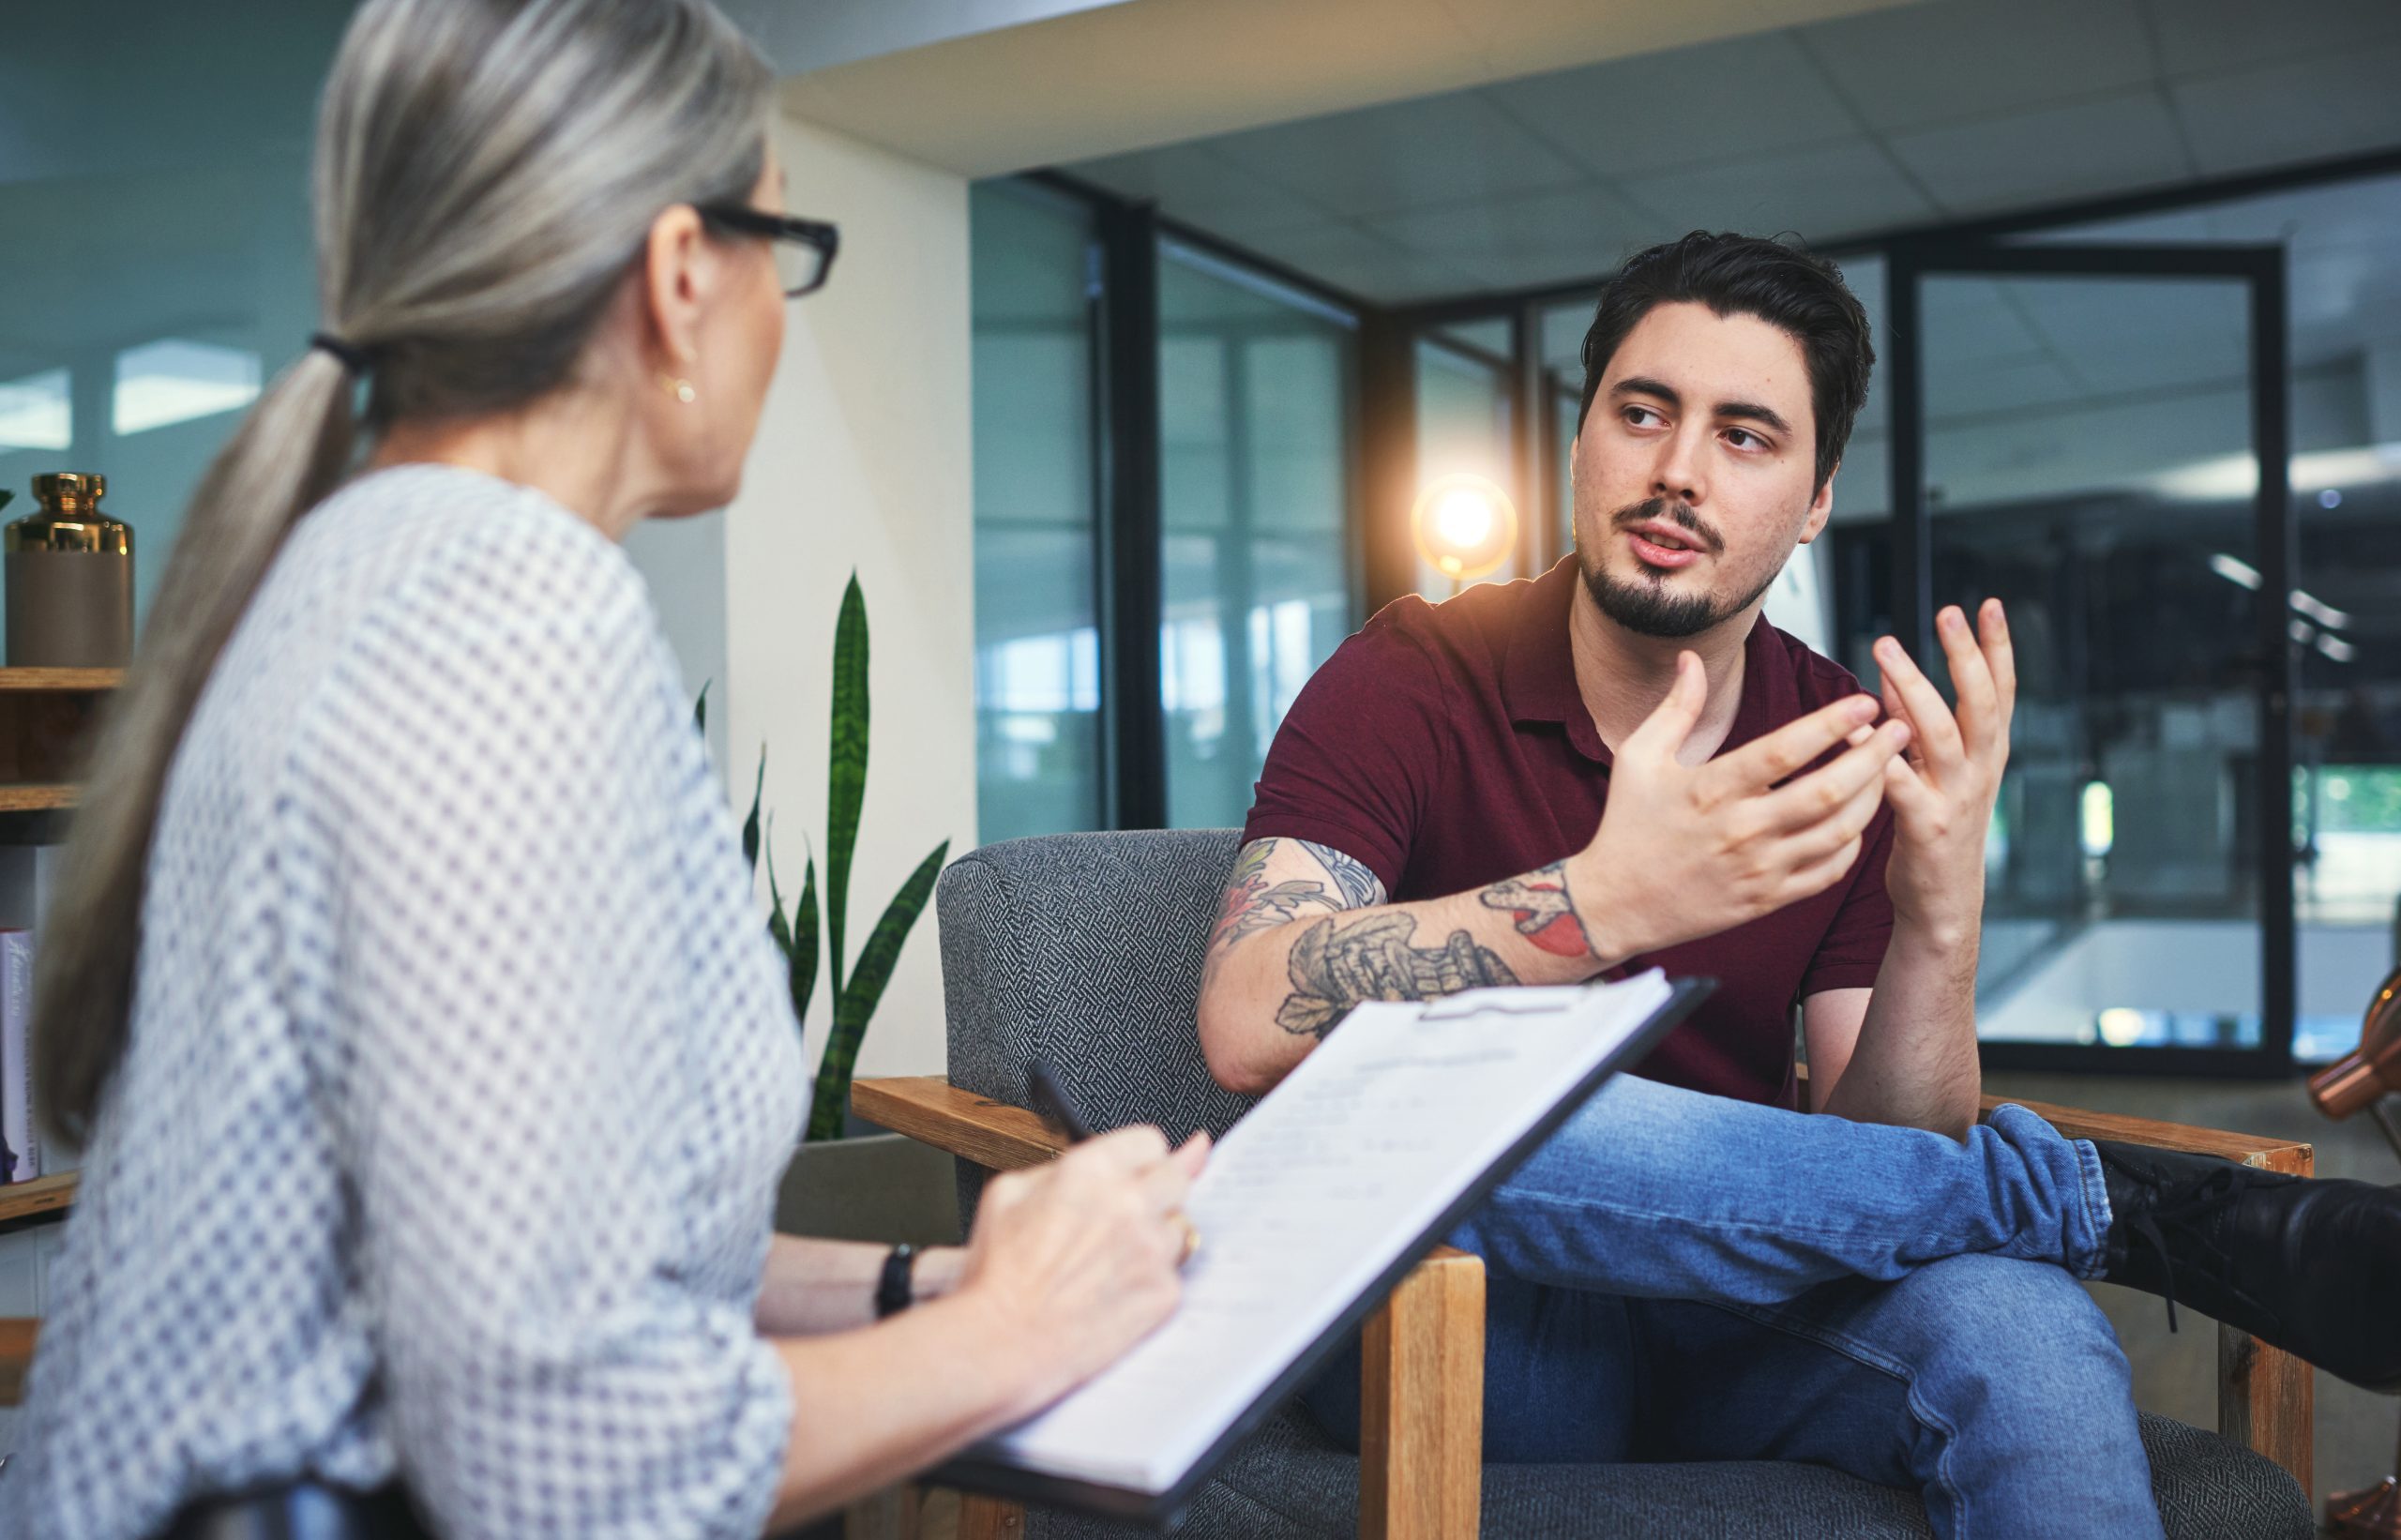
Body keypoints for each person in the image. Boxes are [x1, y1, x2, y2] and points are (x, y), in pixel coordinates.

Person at [3, 4, 1208, 1538]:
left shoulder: (370, 565)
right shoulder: (504, 622)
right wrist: (1024, 1329)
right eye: (787, 241)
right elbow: (563, 1454)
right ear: (682, 269)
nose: (786, 305)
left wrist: (939, 1278)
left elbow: (546, 1247)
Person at [1198, 232, 2401, 1538]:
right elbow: (1247, 1013)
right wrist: (1603, 898)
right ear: (1583, 437)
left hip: (1741, 1302)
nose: (1675, 472)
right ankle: (2084, 1201)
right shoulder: (1412, 674)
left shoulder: (1836, 740)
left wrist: (1941, 914)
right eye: (1642, 413)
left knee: (2023, 1321)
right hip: (1464, 1319)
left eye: (1745, 436)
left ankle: (2074, 1216)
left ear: (1818, 495)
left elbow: (1877, 1146)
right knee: (1431, 1107)